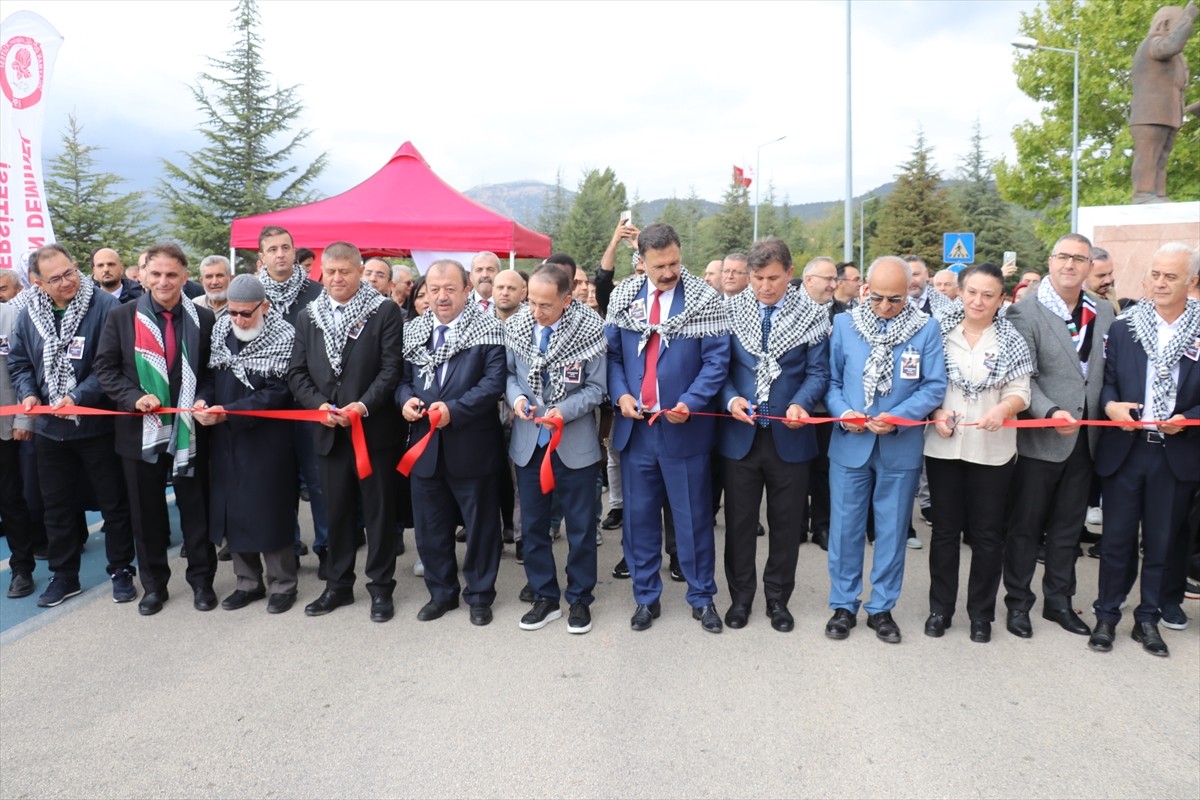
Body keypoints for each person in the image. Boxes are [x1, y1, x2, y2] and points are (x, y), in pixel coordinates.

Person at [605, 222, 731, 633]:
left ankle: (702, 597)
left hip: (683, 428)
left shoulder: (704, 299)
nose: (669, 272)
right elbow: (613, 359)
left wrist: (690, 402)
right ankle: (645, 598)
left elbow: (716, 361)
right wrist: (621, 394)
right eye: (659, 265)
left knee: (693, 518)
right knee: (639, 519)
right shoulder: (624, 298)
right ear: (640, 261)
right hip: (637, 430)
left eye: (675, 262)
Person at [823, 256, 947, 643]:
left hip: (899, 444)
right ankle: (844, 605)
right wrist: (844, 413)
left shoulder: (926, 329)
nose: (885, 308)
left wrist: (897, 416)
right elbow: (830, 380)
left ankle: (882, 608)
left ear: (909, 291)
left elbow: (933, 386)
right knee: (845, 530)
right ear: (865, 290)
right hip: (851, 443)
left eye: (895, 299)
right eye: (877, 298)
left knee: (892, 531)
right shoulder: (844, 325)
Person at [10, 244, 137, 607]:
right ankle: (65, 576)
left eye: (70, 272)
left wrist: (79, 396)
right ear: (37, 283)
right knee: (57, 508)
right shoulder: (29, 314)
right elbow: (20, 363)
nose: (67, 282)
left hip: (97, 426)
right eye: (55, 278)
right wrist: (30, 394)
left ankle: (121, 569)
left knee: (113, 504)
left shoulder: (105, 306)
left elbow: (112, 364)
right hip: (50, 429)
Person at [93, 243, 217, 616]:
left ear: (184, 277)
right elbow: (106, 369)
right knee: (145, 515)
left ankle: (201, 582)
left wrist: (203, 399)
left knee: (196, 510)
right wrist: (133, 397)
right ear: (143, 275)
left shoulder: (203, 319)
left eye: (172, 275)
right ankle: (154, 586)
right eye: (156, 274)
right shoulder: (121, 317)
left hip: (190, 431)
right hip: (139, 433)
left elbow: (211, 372)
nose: (163, 281)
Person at [1089, 242, 1200, 656]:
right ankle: (1106, 616)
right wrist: (1111, 405)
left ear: (1191, 281)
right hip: (1128, 449)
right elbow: (1110, 380)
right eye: (1155, 274)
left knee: (1162, 542)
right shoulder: (1126, 326)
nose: (1160, 283)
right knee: (1116, 539)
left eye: (1170, 276)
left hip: (1177, 452)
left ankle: (1148, 619)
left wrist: (1188, 417)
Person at [1003, 233, 1115, 639]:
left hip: (1086, 439)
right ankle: (1018, 603)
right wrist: (1049, 412)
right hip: (1042, 437)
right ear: (1050, 261)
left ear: (1089, 266)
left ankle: (1059, 603)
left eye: (1079, 259)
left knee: (1069, 528)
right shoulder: (1025, 311)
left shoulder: (1103, 312)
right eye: (1063, 257)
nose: (1070, 265)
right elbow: (1022, 378)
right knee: (1026, 527)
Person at [288, 241, 405, 622]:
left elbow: (391, 370)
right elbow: (297, 371)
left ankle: (381, 588)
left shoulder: (384, 311)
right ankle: (338, 585)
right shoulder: (309, 316)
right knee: (335, 512)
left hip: (374, 431)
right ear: (321, 272)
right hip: (328, 429)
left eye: (345, 271)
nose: (337, 278)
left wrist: (361, 406)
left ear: (359, 272)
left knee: (379, 512)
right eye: (330, 271)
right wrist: (318, 405)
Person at [718, 238, 830, 632]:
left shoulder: (812, 316)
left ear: (790, 273)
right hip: (740, 436)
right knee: (740, 523)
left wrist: (801, 402)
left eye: (774, 278)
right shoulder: (729, 311)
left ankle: (778, 599)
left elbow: (819, 372)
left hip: (790, 435)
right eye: (758, 278)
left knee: (785, 526)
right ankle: (741, 598)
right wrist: (730, 399)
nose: (765, 286)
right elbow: (721, 368)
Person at [924, 263, 1033, 643]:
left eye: (988, 295)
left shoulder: (1011, 340)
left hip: (993, 450)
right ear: (960, 291)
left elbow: (1021, 391)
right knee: (944, 532)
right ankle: (940, 609)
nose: (978, 301)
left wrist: (1004, 409)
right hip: (943, 446)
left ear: (1001, 299)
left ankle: (981, 615)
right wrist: (935, 412)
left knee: (987, 535)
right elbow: (922, 384)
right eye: (972, 292)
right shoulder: (936, 333)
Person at [399, 259, 507, 626]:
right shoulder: (413, 331)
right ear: (424, 292)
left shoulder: (489, 330)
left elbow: (493, 384)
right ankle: (441, 593)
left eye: (449, 289)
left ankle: (479, 595)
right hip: (424, 448)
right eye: (434, 289)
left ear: (466, 290)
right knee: (430, 528)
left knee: (480, 527)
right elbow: (401, 380)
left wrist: (454, 410)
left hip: (472, 445)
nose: (441, 297)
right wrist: (406, 401)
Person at [505, 264, 606, 633]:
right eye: (531, 301)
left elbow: (597, 389)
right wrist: (516, 400)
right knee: (532, 526)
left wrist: (562, 411)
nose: (536, 312)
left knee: (580, 528)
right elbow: (511, 377)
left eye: (545, 305)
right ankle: (544, 595)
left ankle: (579, 598)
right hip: (530, 442)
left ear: (567, 300)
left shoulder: (590, 330)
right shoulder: (516, 326)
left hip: (573, 444)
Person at [195, 275, 300, 613]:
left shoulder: (285, 336)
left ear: (264, 307)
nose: (238, 320)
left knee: (270, 510)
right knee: (233, 510)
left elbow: (281, 391)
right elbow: (211, 376)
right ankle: (248, 583)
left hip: (267, 439)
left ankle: (283, 584)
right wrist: (202, 402)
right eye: (234, 312)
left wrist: (232, 412)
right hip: (225, 438)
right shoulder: (222, 331)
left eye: (245, 314)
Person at [256, 226, 328, 570]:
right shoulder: (251, 295)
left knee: (319, 482)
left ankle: (327, 548)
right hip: (270, 405)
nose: (280, 254)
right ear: (262, 257)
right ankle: (289, 547)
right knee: (279, 482)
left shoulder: (317, 293)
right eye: (273, 249)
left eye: (286, 247)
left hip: (310, 404)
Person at [1130, 2, 1199, 203]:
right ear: (1166, 23)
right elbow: (1173, 45)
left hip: (1168, 116)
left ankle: (1158, 194)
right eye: (1178, 24)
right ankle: (1143, 194)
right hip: (1149, 115)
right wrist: (1188, 18)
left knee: (1161, 159)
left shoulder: (1174, 56)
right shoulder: (1153, 43)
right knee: (1148, 157)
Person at [0, 299, 36, 599]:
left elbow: (23, 367)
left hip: (5, 426)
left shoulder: (9, 314)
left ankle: (21, 568)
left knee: (11, 500)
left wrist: (24, 417)